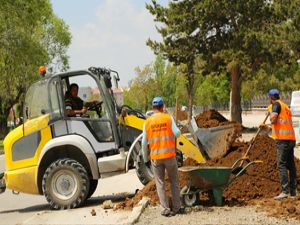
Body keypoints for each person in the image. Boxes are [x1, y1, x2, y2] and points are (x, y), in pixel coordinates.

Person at [141, 96, 183, 217]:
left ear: (153, 108)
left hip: (156, 158)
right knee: (174, 181)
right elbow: (177, 133)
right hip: (170, 156)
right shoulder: (168, 118)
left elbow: (144, 142)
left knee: (160, 183)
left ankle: (165, 208)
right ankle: (177, 207)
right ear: (162, 106)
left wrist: (145, 158)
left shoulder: (147, 122)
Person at [261, 89, 297, 200]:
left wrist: (270, 111)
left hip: (283, 140)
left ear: (270, 98)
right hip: (290, 139)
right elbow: (280, 124)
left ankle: (285, 191)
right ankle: (293, 191)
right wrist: (267, 128)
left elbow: (273, 119)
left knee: (281, 164)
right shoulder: (284, 106)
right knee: (290, 165)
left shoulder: (275, 105)